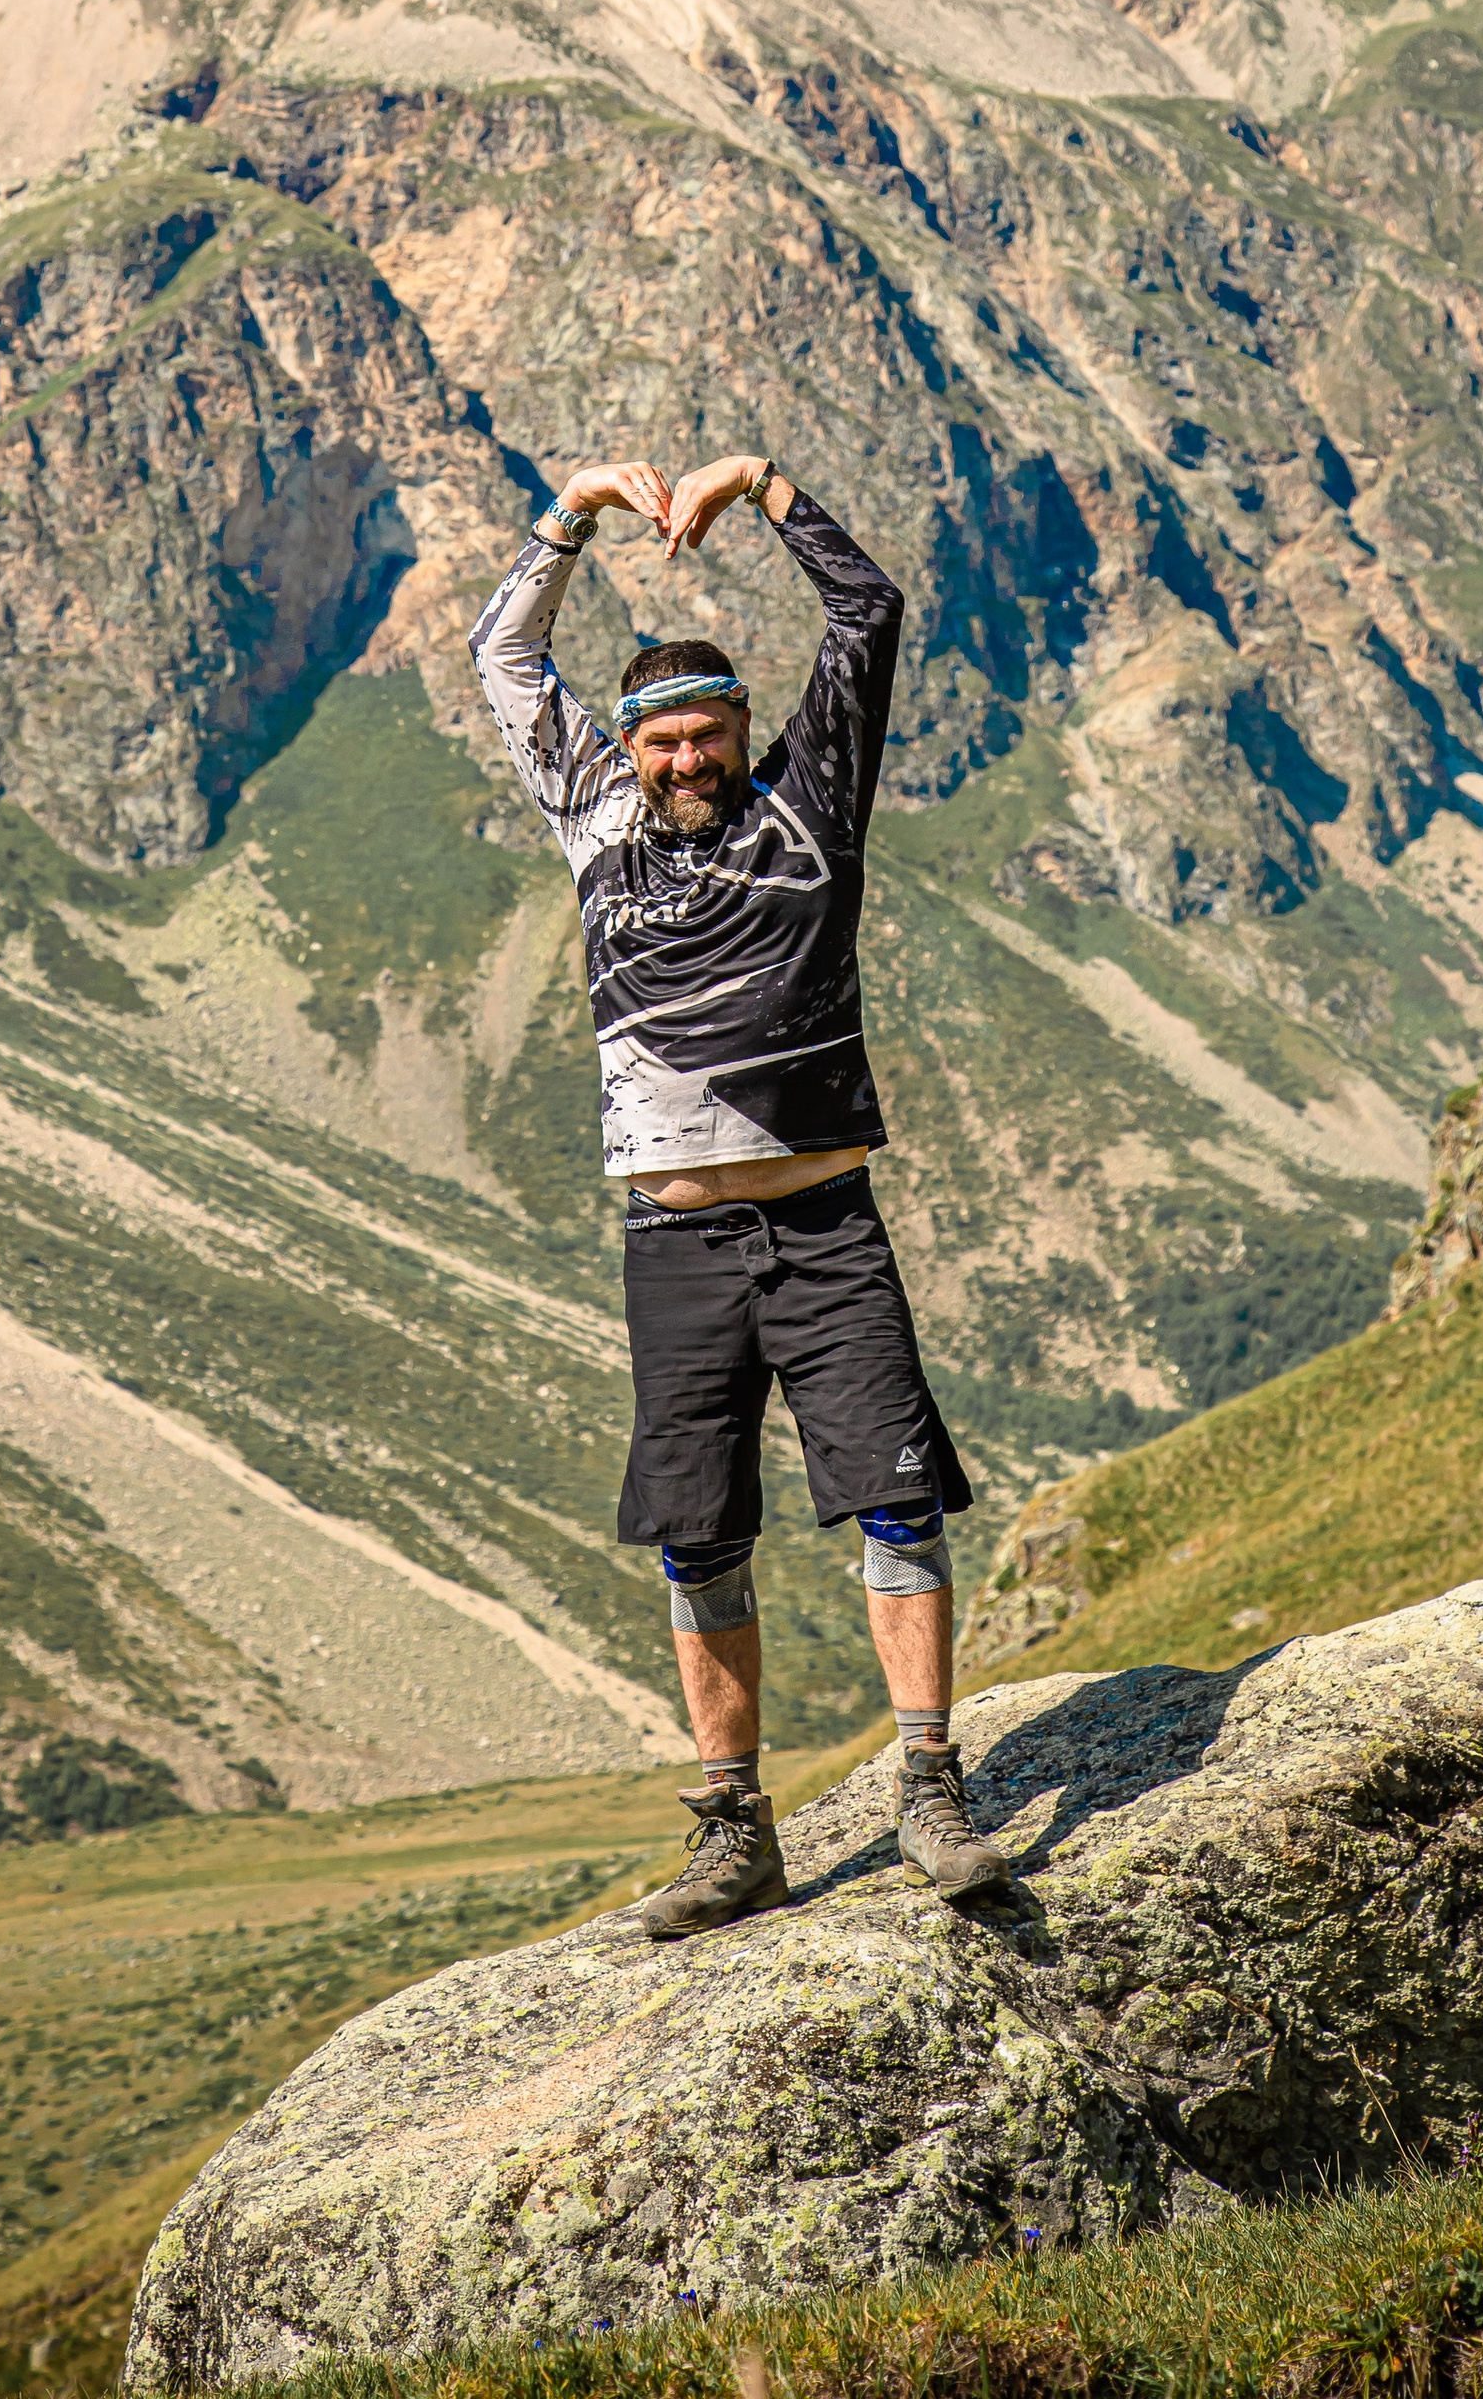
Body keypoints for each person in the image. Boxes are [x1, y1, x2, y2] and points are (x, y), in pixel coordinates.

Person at [468, 446, 1013, 1936]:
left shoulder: (811, 801)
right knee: (697, 1531)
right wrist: (574, 514)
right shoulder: (592, 809)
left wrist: (760, 486)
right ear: (630, 748)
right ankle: (734, 1829)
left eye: (710, 736)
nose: (688, 761)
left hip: (828, 1226)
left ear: (745, 733)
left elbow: (870, 611)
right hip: (677, 1237)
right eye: (665, 742)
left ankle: (929, 1789)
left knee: (898, 1507)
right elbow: (503, 651)